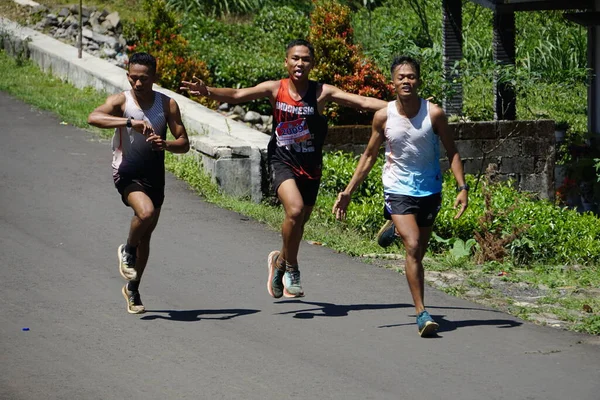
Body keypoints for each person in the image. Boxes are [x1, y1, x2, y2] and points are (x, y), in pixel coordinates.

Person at [180, 39, 388, 299]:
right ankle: (292, 267)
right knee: (296, 210)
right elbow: (236, 95)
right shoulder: (275, 89)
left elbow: (364, 103)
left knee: (297, 225)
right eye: (295, 58)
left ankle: (278, 262)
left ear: (312, 64)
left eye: (306, 59)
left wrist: (403, 105)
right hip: (282, 161)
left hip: (311, 167)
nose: (300, 63)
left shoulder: (322, 92)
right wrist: (207, 90)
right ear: (286, 62)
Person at [332, 55, 468, 337]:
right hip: (397, 188)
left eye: (411, 76)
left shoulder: (434, 114)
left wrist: (462, 187)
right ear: (392, 82)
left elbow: (452, 151)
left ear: (418, 80)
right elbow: (369, 156)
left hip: (429, 189)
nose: (406, 81)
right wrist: (348, 191)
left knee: (420, 251)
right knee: (413, 245)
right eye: (401, 77)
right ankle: (422, 312)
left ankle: (396, 226)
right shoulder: (384, 116)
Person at [88, 52, 190, 314]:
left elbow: (184, 143)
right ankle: (127, 249)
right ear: (128, 76)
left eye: (143, 79)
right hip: (127, 172)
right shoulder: (123, 101)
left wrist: (165, 144)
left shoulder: (167, 105)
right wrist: (129, 122)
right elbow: (94, 117)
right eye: (133, 78)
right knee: (144, 213)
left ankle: (133, 289)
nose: (137, 84)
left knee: (146, 235)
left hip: (155, 176)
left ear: (154, 77)